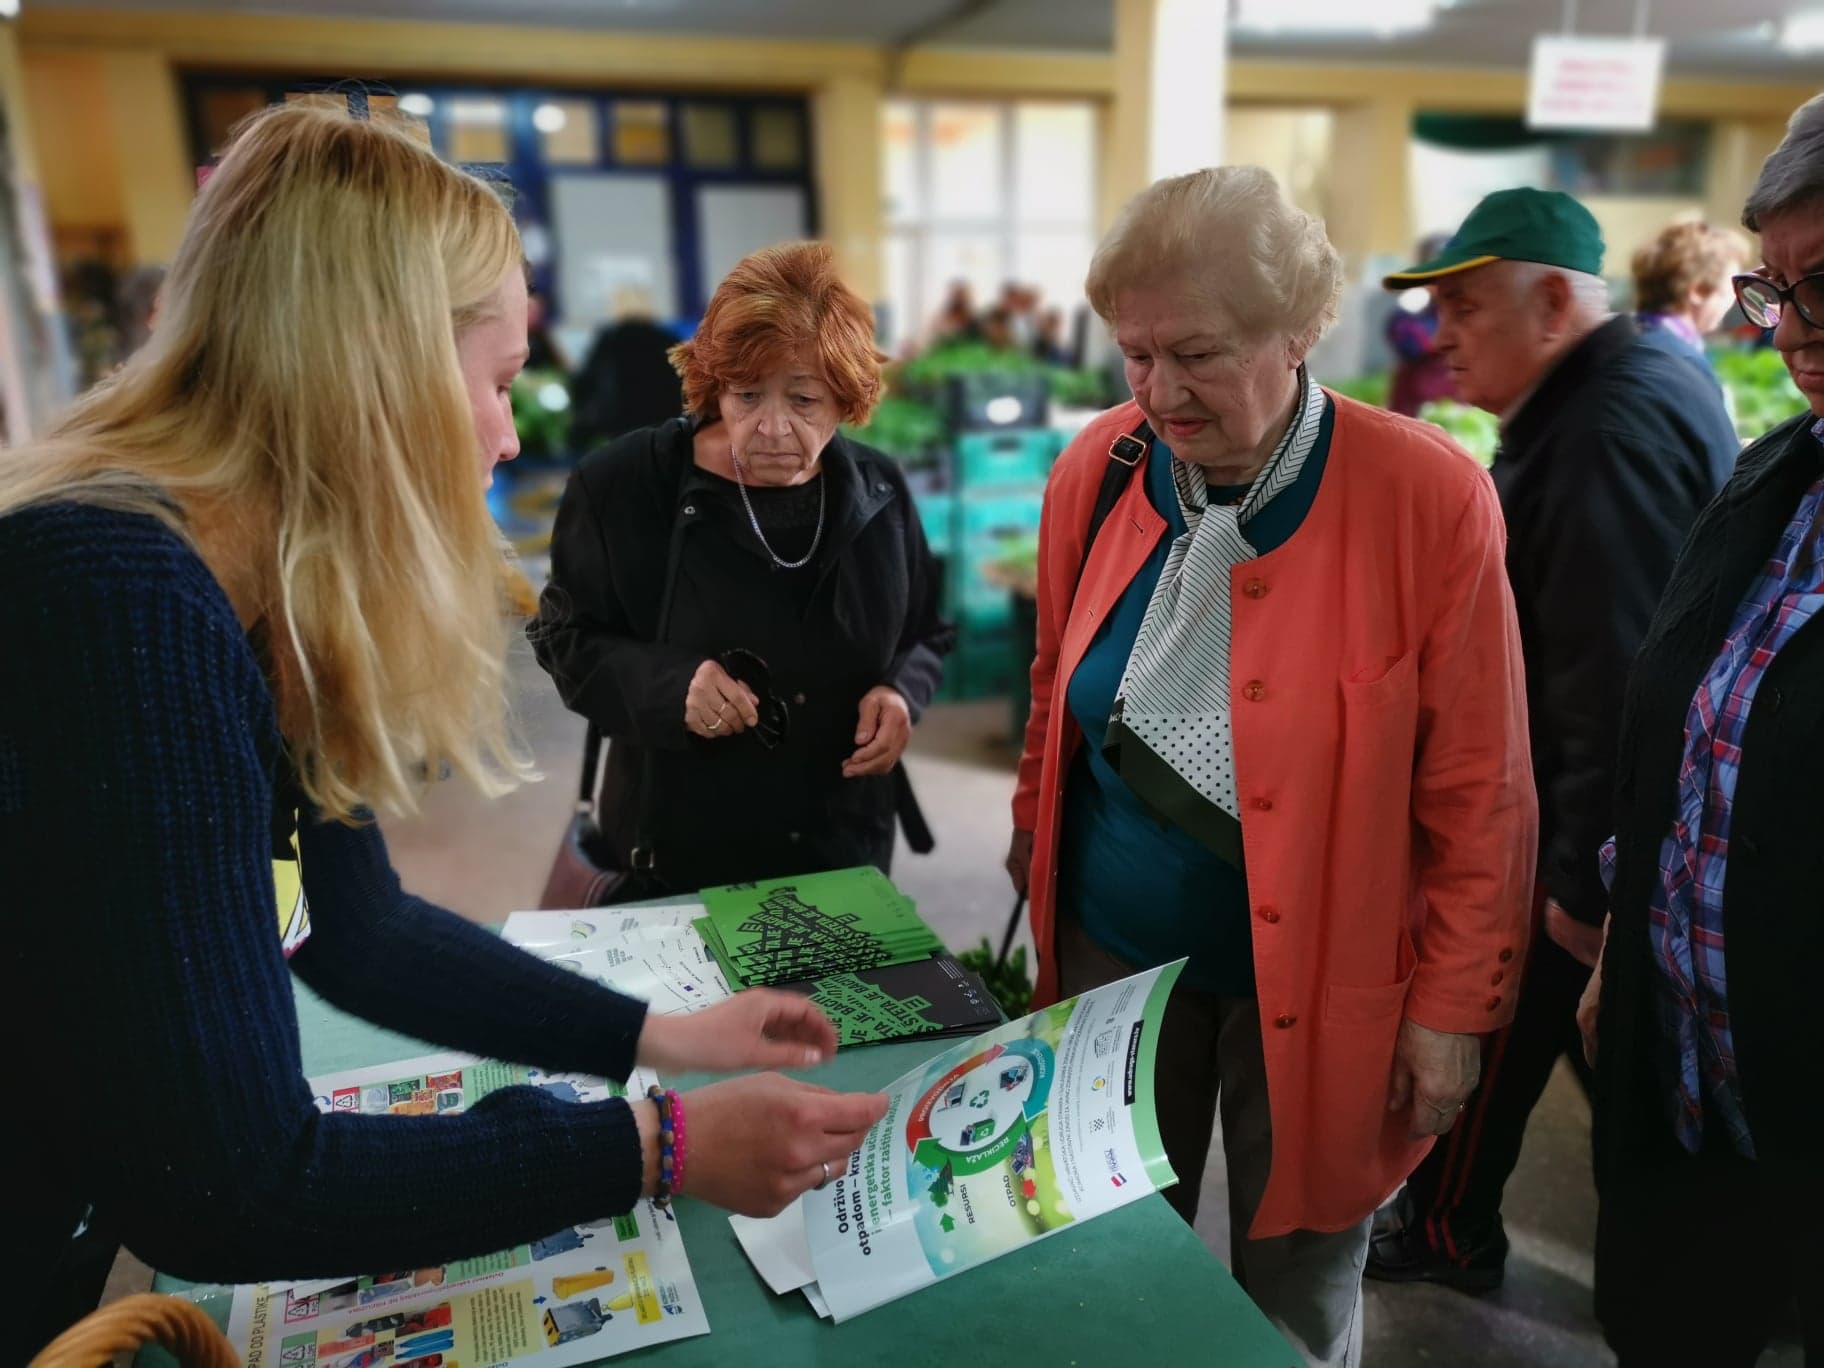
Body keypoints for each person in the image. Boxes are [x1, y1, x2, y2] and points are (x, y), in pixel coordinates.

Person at [0, 106, 886, 1362]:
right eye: (497, 379)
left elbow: (332, 920)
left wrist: (650, 1039)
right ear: (375, 367)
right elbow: (229, 1186)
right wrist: (658, 1145)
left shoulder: (241, 602)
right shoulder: (114, 603)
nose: (509, 434)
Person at [1004, 165, 1535, 1367]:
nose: (1158, 391)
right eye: (1134, 354)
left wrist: (1453, 1013)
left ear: (1301, 332)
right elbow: (1055, 690)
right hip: (1111, 955)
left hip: (1328, 983)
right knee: (1105, 1260)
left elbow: (1480, 789)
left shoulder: (1428, 498)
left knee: (1293, 1293)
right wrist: (1030, 846)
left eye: (1195, 352)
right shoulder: (1100, 468)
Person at [1367, 189, 1740, 1293]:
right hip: (1640, 823)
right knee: (1623, 1070)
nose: (1439, 337)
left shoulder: (1599, 434)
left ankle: (1453, 1233)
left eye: (1464, 308)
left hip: (1596, 828)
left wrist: (1584, 881)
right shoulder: (1634, 383)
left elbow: (1609, 680)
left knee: (1506, 1014)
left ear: (1551, 306)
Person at [1581, 93, 1824, 1365]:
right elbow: (1681, 729)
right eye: (1774, 289)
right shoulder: (1773, 475)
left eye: (1822, 284)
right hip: (1689, 1093)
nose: (1790, 332)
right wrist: (1626, 925)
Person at [531, 241, 951, 893]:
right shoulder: (624, 486)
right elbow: (564, 639)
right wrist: (672, 687)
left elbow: (928, 629)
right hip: (678, 856)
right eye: (747, 395)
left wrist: (900, 692)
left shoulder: (879, 490)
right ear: (714, 384)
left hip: (840, 849)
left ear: (846, 395)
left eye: (804, 400)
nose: (772, 427)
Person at [1630, 218, 1751, 402]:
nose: (1735, 297)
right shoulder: (1678, 362)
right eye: (1731, 286)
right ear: (1698, 291)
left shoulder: (1628, 340)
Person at [566, 290, 683, 453]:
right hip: (663, 421)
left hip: (620, 423)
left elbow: (588, 380)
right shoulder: (667, 339)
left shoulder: (609, 340)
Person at [1385, 234, 1458, 416]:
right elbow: (1408, 344)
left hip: (1458, 412)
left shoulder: (1474, 315)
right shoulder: (1412, 313)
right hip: (1415, 411)